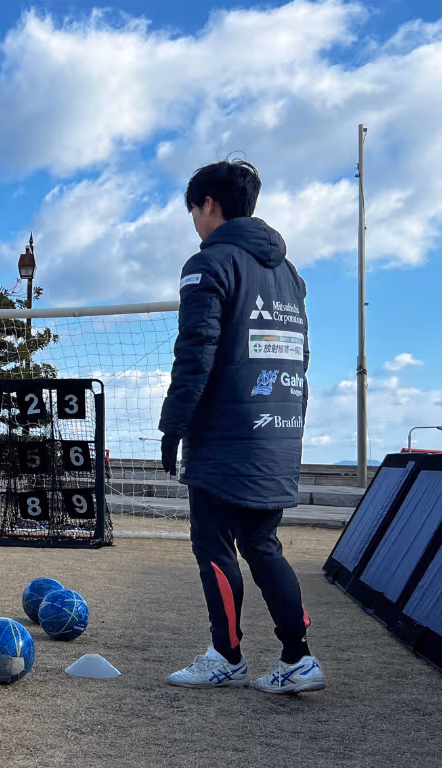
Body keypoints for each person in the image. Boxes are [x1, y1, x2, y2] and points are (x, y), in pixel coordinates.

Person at [158, 160, 326, 694]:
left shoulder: (209, 264)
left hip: (226, 435)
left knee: (212, 543)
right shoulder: (290, 274)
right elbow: (301, 358)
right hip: (277, 429)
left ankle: (227, 655)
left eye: (193, 209)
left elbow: (195, 355)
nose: (194, 221)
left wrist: (173, 427)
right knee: (262, 543)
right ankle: (298, 658)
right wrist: (289, 426)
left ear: (208, 204)